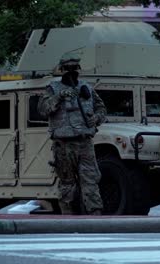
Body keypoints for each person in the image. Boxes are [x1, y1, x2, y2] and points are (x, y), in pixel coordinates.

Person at [38, 53, 107, 215]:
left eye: (74, 68)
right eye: (68, 69)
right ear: (62, 70)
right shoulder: (53, 89)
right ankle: (67, 217)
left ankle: (95, 215)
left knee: (90, 180)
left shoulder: (86, 88)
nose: (71, 72)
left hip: (85, 143)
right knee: (67, 183)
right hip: (64, 144)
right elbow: (43, 109)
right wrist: (59, 97)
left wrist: (95, 118)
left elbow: (101, 108)